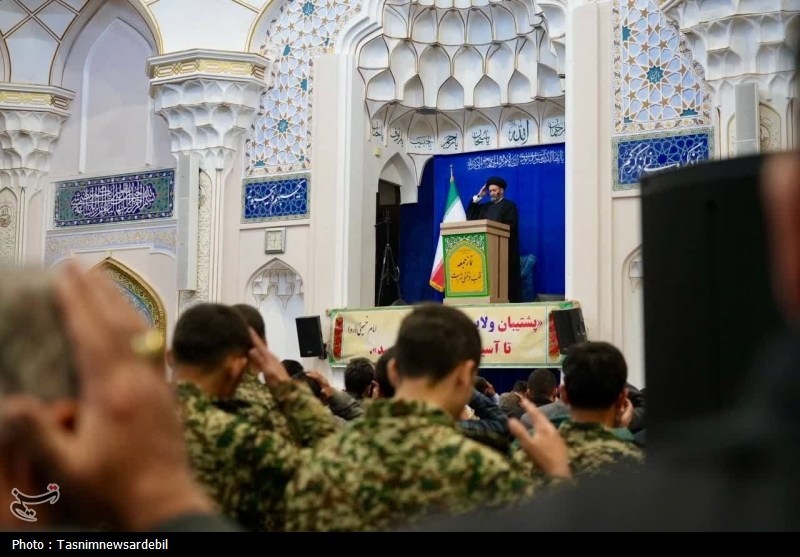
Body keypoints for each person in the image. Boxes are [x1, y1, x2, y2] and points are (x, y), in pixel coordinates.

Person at [283, 303, 571, 532]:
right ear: (465, 377)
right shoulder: (488, 476)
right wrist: (559, 478)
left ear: (392, 371)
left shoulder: (317, 468)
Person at [467, 176, 521, 302]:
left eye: (494, 190)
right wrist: (479, 196)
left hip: (504, 251)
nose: (492, 193)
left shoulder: (509, 206)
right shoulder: (484, 207)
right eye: (490, 191)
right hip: (486, 251)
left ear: (501, 190)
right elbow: (470, 216)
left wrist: (494, 231)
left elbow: (511, 227)